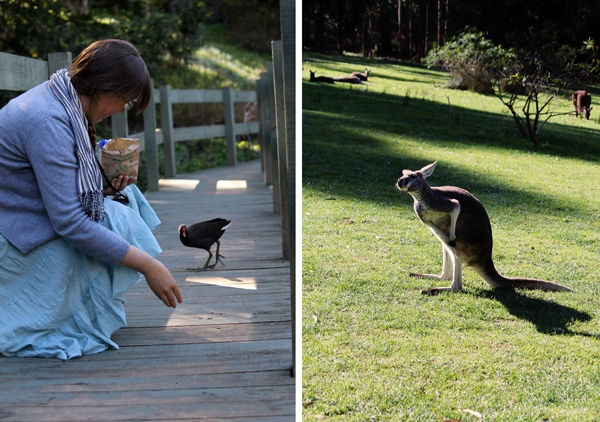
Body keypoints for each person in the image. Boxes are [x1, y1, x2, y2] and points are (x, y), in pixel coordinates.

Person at [0, 39, 182, 359]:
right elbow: (70, 222)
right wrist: (149, 265)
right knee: (115, 218)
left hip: (25, 217)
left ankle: (82, 303)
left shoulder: (62, 100)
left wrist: (107, 187)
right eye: (125, 102)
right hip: (13, 238)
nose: (119, 111)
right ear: (105, 88)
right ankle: (52, 313)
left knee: (126, 198)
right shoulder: (48, 120)